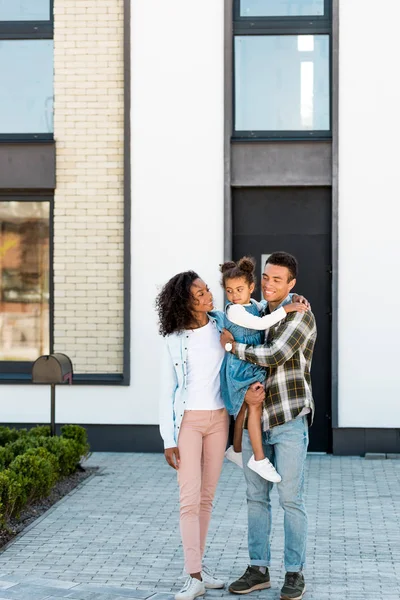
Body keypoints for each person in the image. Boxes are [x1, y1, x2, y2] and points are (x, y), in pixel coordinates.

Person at [220, 252, 317, 600]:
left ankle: (294, 573)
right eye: (266, 277)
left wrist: (234, 347)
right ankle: (258, 569)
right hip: (255, 421)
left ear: (292, 284)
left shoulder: (300, 315)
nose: (269, 283)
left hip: (288, 420)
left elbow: (275, 354)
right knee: (255, 498)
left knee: (291, 499)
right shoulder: (258, 310)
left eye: (278, 279)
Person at [157, 271, 228, 600]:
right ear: (185, 301)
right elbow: (166, 390)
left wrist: (293, 303)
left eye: (206, 289)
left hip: (219, 419)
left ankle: (198, 568)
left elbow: (255, 312)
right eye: (198, 293)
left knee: (206, 499)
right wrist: (167, 438)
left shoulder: (222, 324)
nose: (207, 295)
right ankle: (193, 575)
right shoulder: (174, 338)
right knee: (189, 500)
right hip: (188, 423)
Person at [219, 257, 308, 483]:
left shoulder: (258, 306)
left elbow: (274, 352)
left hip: (283, 410)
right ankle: (255, 457)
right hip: (244, 370)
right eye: (229, 291)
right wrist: (287, 307)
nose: (234, 295)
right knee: (251, 409)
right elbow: (261, 323)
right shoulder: (237, 310)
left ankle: (236, 450)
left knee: (243, 411)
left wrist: (293, 301)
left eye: (239, 289)